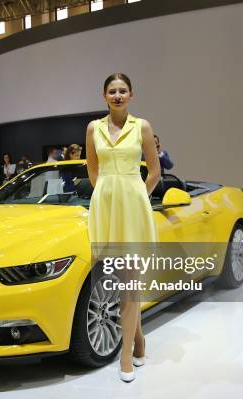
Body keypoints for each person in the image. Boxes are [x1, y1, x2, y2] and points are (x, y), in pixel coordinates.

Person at [86, 73, 160, 383]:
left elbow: (155, 171)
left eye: (123, 91)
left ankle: (125, 354)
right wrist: (107, 193)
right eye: (112, 91)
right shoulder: (94, 128)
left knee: (130, 283)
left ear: (131, 94)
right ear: (104, 95)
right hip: (106, 208)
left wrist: (135, 194)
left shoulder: (141, 126)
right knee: (119, 281)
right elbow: (92, 171)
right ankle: (140, 339)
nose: (118, 95)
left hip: (133, 208)